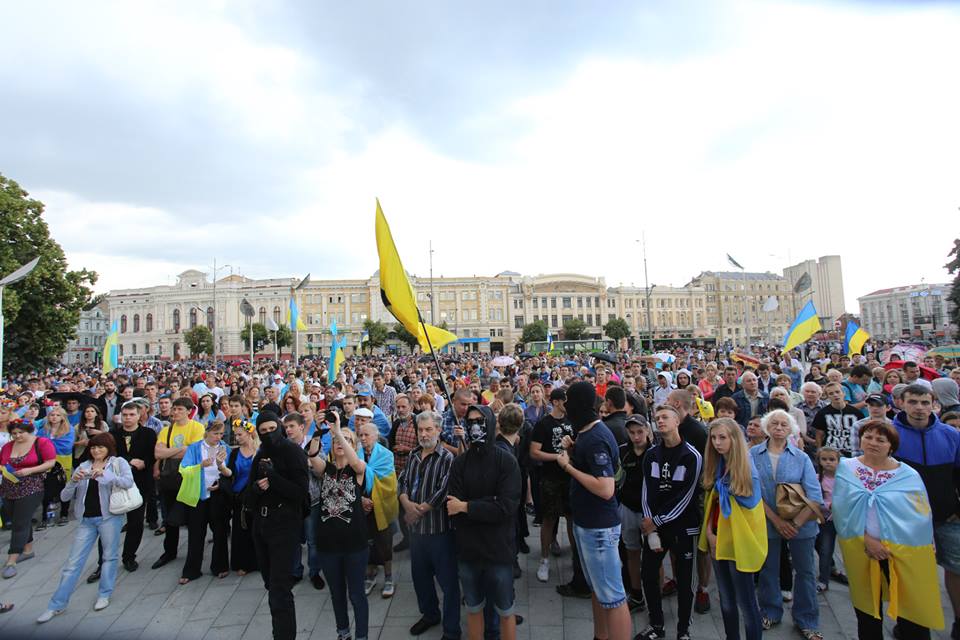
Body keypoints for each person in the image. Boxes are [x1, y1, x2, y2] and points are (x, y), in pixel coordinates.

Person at [833, 419, 945, 639]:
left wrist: (927, 539)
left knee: (911, 606)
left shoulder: (908, 475)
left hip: (902, 551)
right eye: (868, 437)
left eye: (880, 439)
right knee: (868, 609)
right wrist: (868, 540)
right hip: (861, 548)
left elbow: (921, 513)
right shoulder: (847, 468)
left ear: (891, 446)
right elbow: (841, 510)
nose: (873, 442)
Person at [36, 433, 135, 622]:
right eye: (93, 447)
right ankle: (56, 604)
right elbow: (64, 497)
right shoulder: (83, 466)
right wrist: (73, 480)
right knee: (73, 563)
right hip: (86, 520)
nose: (96, 450)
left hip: (109, 517)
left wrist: (105, 474)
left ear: (109, 448)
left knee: (109, 556)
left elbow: (127, 482)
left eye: (101, 447)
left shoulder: (117, 462)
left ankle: (104, 594)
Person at [447, 404, 521, 640]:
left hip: (499, 550)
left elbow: (506, 507)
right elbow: (452, 506)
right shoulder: (460, 463)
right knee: (473, 607)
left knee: (505, 610)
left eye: (480, 421)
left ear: (490, 423)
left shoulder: (506, 461)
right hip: (469, 550)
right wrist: (486, 505)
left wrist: (468, 506)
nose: (475, 426)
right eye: (471, 422)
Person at [892, 383, 960, 638]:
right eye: (913, 402)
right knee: (912, 576)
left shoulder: (950, 435)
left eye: (924, 403)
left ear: (934, 404)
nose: (919, 408)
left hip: (948, 516)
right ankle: (911, 626)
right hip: (908, 520)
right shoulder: (891, 434)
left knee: (956, 570)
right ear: (901, 403)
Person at [750, 409, 824, 640]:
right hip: (768, 521)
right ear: (766, 427)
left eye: (784, 424)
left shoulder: (801, 457)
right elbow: (750, 492)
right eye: (774, 423)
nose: (779, 427)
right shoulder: (753, 453)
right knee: (768, 569)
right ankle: (770, 611)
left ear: (791, 428)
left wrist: (795, 524)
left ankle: (807, 619)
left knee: (805, 572)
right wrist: (777, 521)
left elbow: (814, 495)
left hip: (801, 524)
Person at [635, 404, 703, 640]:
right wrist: (649, 520)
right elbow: (646, 489)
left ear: (677, 422)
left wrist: (658, 520)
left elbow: (687, 495)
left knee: (685, 580)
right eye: (657, 418)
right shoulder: (652, 454)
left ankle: (683, 630)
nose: (660, 421)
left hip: (682, 526)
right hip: (655, 524)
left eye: (665, 417)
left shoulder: (692, 456)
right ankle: (656, 624)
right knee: (648, 574)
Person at [245, 411, 310, 640]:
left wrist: (273, 478)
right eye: (263, 432)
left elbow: (301, 493)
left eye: (272, 429)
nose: (269, 434)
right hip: (262, 526)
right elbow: (249, 494)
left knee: (280, 591)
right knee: (270, 585)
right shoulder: (261, 453)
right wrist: (256, 489)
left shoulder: (293, 453)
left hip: (284, 526)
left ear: (280, 428)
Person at [700, 418, 766, 640]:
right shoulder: (718, 465)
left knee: (746, 603)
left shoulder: (747, 472)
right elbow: (713, 503)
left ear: (734, 440)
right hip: (718, 538)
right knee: (726, 598)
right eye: (714, 437)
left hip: (739, 542)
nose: (717, 443)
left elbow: (747, 511)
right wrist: (709, 534)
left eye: (722, 437)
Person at [399, 410, 460, 639]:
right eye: (420, 430)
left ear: (438, 430)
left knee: (449, 584)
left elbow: (443, 491)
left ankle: (452, 630)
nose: (423, 434)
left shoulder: (447, 458)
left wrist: (420, 510)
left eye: (428, 429)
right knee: (421, 579)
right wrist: (405, 502)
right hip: (417, 534)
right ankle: (430, 614)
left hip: (439, 532)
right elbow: (403, 481)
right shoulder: (413, 455)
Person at [312, 411, 369, 640]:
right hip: (327, 545)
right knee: (336, 594)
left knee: (357, 595)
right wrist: (318, 431)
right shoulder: (326, 469)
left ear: (352, 445)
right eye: (335, 441)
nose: (338, 443)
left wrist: (339, 432)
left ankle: (362, 636)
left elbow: (356, 463)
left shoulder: (357, 469)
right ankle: (343, 633)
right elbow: (312, 455)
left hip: (354, 544)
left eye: (345, 441)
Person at [530, 387, 581, 589]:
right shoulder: (544, 424)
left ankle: (576, 559)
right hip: (550, 478)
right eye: (566, 401)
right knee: (549, 519)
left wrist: (571, 450)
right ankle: (544, 559)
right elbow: (534, 452)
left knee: (571, 517)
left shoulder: (573, 422)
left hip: (570, 477)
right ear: (558, 402)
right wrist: (558, 458)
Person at [151, 397, 205, 568]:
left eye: (179, 409)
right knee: (169, 517)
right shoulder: (167, 429)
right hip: (169, 478)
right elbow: (158, 453)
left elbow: (193, 452)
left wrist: (170, 452)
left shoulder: (197, 427)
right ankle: (170, 551)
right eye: (174, 409)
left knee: (191, 518)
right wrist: (179, 450)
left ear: (189, 411)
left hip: (188, 477)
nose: (175, 412)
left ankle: (193, 554)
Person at [0, 419, 56, 578]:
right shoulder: (7, 446)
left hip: (31, 486)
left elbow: (50, 462)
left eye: (20, 433)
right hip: (8, 488)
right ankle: (28, 550)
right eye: (14, 434)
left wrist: (29, 470)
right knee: (18, 518)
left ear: (29, 431)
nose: (17, 436)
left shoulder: (41, 443)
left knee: (20, 523)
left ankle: (12, 560)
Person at [176, 420, 230, 584]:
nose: (218, 437)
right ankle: (192, 570)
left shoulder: (225, 447)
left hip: (218, 495)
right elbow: (183, 469)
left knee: (220, 532)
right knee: (196, 533)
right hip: (199, 496)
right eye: (215, 433)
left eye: (221, 434)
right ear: (207, 432)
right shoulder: (195, 447)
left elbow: (229, 472)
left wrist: (221, 483)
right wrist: (200, 465)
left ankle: (220, 566)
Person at [357, 413, 399, 598]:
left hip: (380, 504)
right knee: (366, 542)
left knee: (384, 543)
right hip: (361, 506)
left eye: (367, 435)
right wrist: (360, 499)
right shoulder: (355, 455)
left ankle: (389, 577)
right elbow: (350, 480)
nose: (363, 438)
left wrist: (372, 498)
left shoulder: (386, 455)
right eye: (361, 435)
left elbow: (389, 483)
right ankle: (370, 575)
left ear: (376, 436)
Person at [617, 414, 652, 613]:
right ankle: (637, 593)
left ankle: (654, 592)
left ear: (647, 430)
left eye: (639, 432)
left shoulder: (655, 452)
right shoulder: (623, 452)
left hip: (649, 512)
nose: (636, 436)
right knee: (631, 552)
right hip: (628, 507)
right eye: (632, 433)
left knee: (654, 556)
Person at [225, 418, 259, 575]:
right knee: (240, 530)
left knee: (257, 529)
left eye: (240, 435)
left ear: (249, 434)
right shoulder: (234, 453)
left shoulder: (259, 451)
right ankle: (243, 563)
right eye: (235, 435)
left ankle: (260, 560)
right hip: (239, 496)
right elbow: (230, 473)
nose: (237, 438)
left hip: (257, 495)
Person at [36, 405, 75, 529]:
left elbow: (67, 445)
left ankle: (64, 514)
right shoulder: (43, 430)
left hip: (63, 459)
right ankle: (45, 517)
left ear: (63, 417)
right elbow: (38, 444)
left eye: (58, 415)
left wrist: (47, 444)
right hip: (46, 461)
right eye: (52, 415)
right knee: (46, 488)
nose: (54, 417)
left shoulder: (69, 429)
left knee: (64, 486)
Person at [388, 394, 417, 552]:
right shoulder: (396, 424)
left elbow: (425, 448)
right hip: (398, 472)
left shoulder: (419, 423)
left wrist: (408, 450)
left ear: (411, 407)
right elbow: (390, 443)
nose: (400, 410)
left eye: (403, 407)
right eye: (398, 407)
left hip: (415, 474)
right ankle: (407, 539)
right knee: (400, 509)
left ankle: (417, 542)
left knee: (412, 508)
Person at [814, 446, 841, 592]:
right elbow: (815, 498)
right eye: (824, 459)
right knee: (822, 547)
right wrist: (828, 505)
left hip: (839, 519)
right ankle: (827, 573)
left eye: (832, 459)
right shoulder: (817, 478)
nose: (828, 462)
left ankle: (826, 576)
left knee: (827, 548)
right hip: (823, 519)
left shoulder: (843, 479)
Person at [812, 381, 862, 457]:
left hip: (851, 452)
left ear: (843, 393)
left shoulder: (856, 412)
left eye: (837, 392)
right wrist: (819, 451)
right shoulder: (822, 413)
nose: (835, 395)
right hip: (830, 452)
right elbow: (819, 435)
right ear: (828, 396)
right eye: (831, 393)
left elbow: (861, 433)